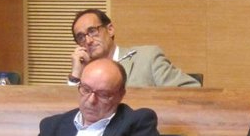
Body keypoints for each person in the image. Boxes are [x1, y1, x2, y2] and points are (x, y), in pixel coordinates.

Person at [33, 58, 165, 136]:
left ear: (120, 95)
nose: (91, 100)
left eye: (103, 95)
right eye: (86, 90)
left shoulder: (137, 123)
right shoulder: (52, 126)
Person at [68, 8, 199, 88]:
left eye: (92, 31)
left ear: (110, 30)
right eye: (81, 37)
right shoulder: (85, 75)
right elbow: (69, 114)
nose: (88, 40)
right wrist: (76, 75)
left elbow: (191, 90)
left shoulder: (148, 58)